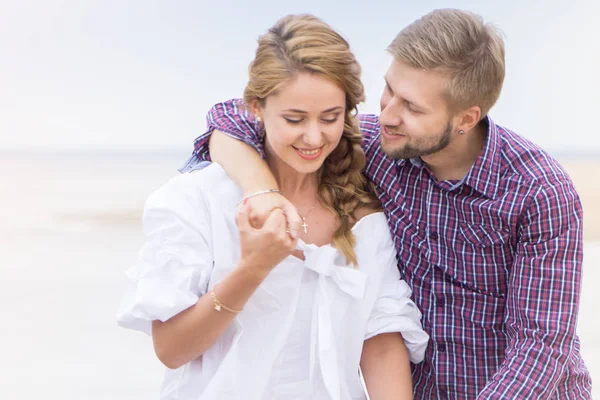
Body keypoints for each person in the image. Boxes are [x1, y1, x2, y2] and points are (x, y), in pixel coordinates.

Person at [179, 9, 592, 399]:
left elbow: (539, 350)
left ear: (466, 119)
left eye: (411, 107)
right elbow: (232, 117)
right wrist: (261, 191)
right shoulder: (376, 145)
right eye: (390, 90)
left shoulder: (539, 193)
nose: (388, 114)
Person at [117, 14, 428, 400]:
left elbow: (380, 339)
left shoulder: (364, 213)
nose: (314, 137)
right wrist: (254, 266)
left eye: (330, 117)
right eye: (294, 119)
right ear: (256, 108)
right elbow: (172, 349)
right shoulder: (194, 199)